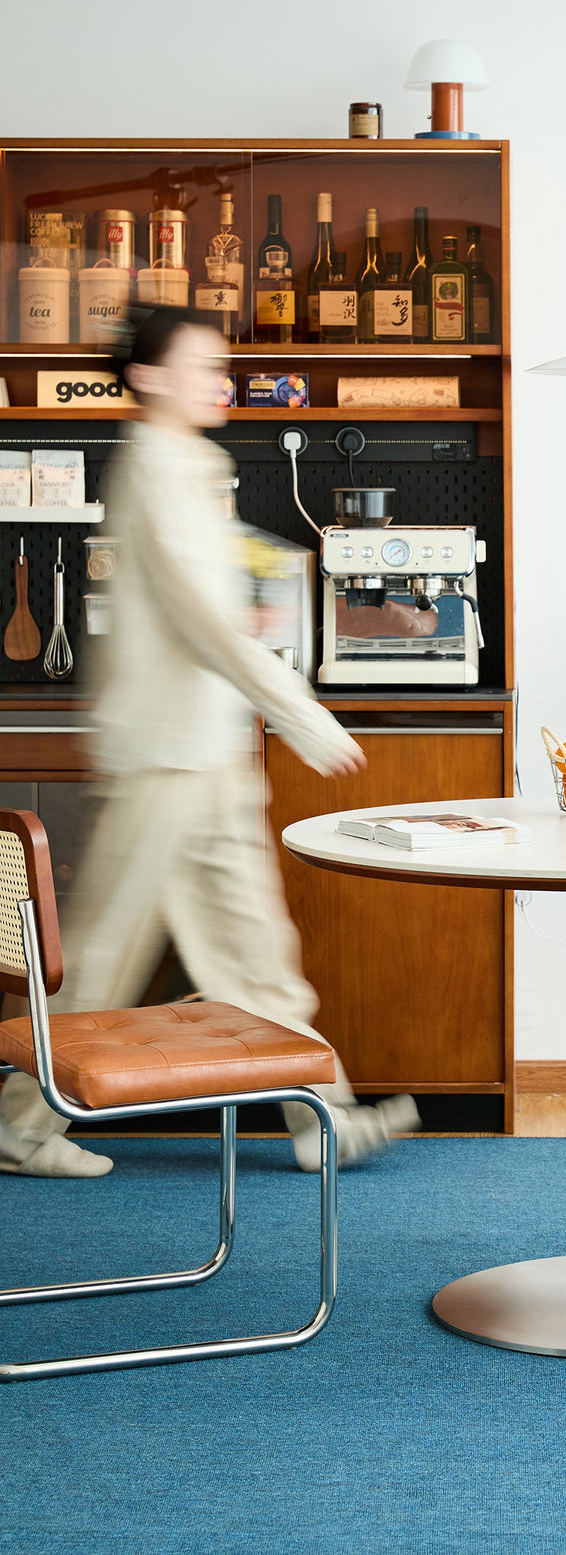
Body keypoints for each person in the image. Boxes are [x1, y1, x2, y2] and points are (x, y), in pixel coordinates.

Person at [0, 305, 418, 1177]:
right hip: (161, 757)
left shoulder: (191, 463)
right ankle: (20, 1128)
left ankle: (322, 1122)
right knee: (107, 954)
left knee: (257, 953)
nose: (217, 379)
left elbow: (214, 613)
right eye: (199, 365)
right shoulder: (155, 467)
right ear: (148, 378)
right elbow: (200, 624)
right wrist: (302, 713)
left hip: (209, 752)